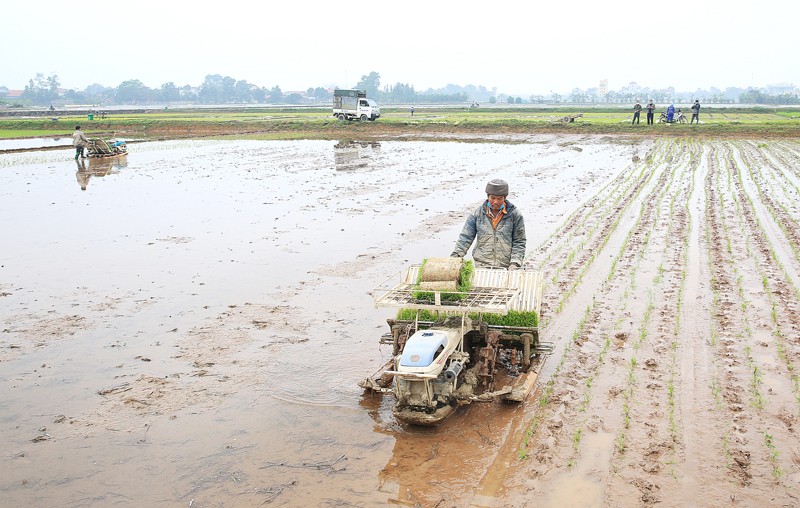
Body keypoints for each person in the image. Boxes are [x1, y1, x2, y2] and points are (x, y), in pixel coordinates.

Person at [451, 178, 526, 269]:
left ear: (505, 198)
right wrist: (456, 256)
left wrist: (515, 262)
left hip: (506, 265)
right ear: (487, 196)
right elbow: (466, 237)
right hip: (482, 264)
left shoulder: (515, 215)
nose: (495, 202)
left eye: (500, 198)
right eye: (492, 198)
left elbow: (519, 241)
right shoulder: (477, 214)